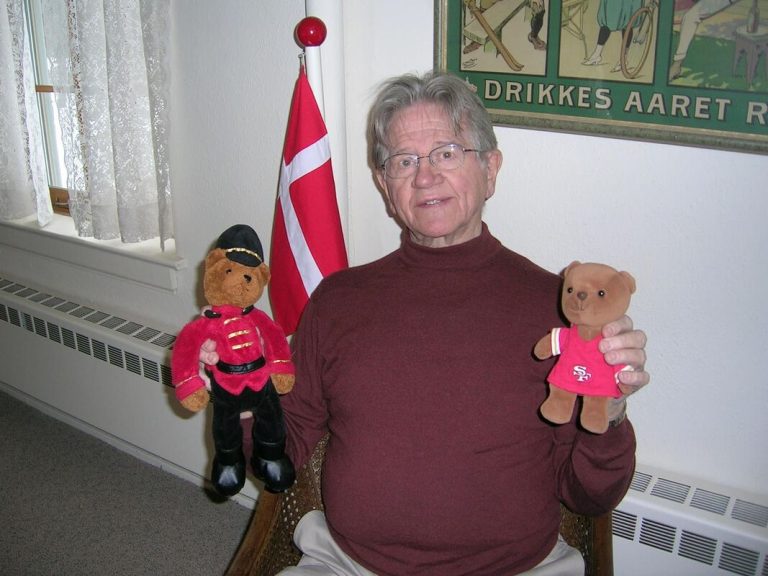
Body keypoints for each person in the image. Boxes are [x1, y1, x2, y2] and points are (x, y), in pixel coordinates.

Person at [207, 71, 649, 575]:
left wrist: (611, 411)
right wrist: (239, 394)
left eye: (446, 153)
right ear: (384, 185)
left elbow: (590, 495)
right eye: (404, 161)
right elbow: (278, 451)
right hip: (348, 563)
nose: (424, 177)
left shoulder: (557, 312)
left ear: (490, 169)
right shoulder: (338, 300)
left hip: (518, 567)